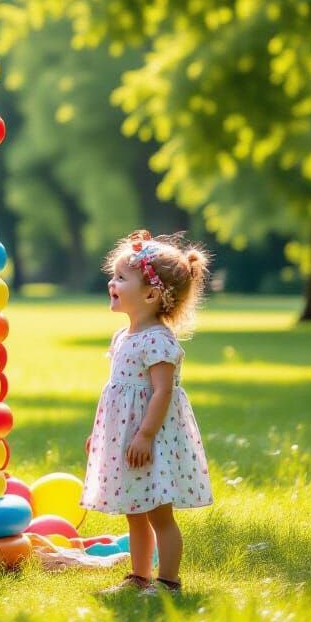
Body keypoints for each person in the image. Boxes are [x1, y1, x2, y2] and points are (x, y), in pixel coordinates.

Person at [82, 229, 212, 595]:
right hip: (124, 436)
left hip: (148, 438)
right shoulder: (123, 337)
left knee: (158, 513)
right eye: (114, 275)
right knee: (133, 510)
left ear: (152, 294)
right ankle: (138, 577)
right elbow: (115, 394)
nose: (112, 281)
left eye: (122, 277)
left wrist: (145, 435)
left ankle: (168, 582)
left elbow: (162, 392)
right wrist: (102, 435)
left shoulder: (158, 340)